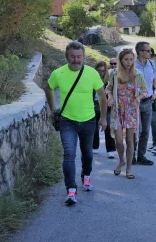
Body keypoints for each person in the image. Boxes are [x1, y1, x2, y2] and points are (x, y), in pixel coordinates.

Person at [45, 41, 107, 205]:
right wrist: (52, 110)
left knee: (87, 152)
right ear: (66, 57)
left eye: (79, 56)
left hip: (89, 120)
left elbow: (102, 96)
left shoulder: (92, 73)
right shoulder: (58, 73)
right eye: (72, 56)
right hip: (67, 121)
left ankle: (86, 177)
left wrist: (104, 118)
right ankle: (71, 190)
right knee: (69, 154)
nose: (76, 60)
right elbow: (49, 87)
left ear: (83, 57)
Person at [106, 49, 147, 179]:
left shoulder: (137, 74)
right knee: (118, 141)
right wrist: (110, 97)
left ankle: (129, 168)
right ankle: (121, 160)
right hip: (117, 109)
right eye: (126, 59)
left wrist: (138, 98)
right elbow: (108, 88)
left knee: (130, 140)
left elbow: (144, 91)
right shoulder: (114, 73)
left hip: (131, 110)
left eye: (131, 59)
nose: (129, 62)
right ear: (121, 60)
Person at [134, 41, 156, 165]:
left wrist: (154, 91)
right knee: (137, 130)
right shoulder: (132, 64)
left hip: (148, 101)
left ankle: (141, 156)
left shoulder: (152, 64)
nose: (150, 52)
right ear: (140, 52)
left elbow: (153, 79)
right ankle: (131, 155)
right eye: (148, 50)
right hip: (135, 102)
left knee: (146, 131)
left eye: (150, 50)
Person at [92, 61, 116, 158]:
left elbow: (114, 92)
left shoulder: (109, 80)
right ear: (96, 70)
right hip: (94, 106)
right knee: (94, 128)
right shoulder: (92, 79)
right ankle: (94, 147)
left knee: (109, 127)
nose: (101, 72)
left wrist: (111, 99)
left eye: (103, 70)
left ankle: (110, 150)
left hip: (107, 106)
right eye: (99, 70)